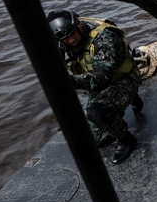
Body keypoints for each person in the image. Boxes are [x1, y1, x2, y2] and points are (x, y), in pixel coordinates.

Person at [47, 9, 143, 164]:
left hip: (123, 78)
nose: (71, 41)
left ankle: (127, 140)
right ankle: (130, 100)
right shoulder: (63, 40)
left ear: (78, 25)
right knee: (97, 140)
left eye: (73, 35)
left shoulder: (105, 37)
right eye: (66, 39)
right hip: (97, 81)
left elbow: (101, 78)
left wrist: (70, 82)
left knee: (96, 113)